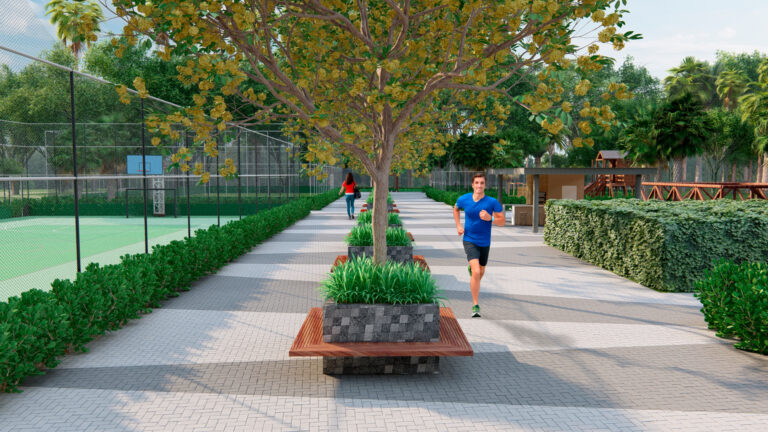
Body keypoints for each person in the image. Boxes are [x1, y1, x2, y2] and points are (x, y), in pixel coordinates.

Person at [453, 172, 505, 317]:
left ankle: (473, 278)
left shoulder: (492, 202)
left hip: (485, 242)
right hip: (469, 239)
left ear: (485, 185)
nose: (479, 186)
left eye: (482, 183)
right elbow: (456, 208)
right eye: (477, 183)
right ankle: (475, 305)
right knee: (476, 271)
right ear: (472, 185)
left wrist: (491, 218)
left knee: (480, 272)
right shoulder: (464, 199)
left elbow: (502, 221)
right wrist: (458, 226)